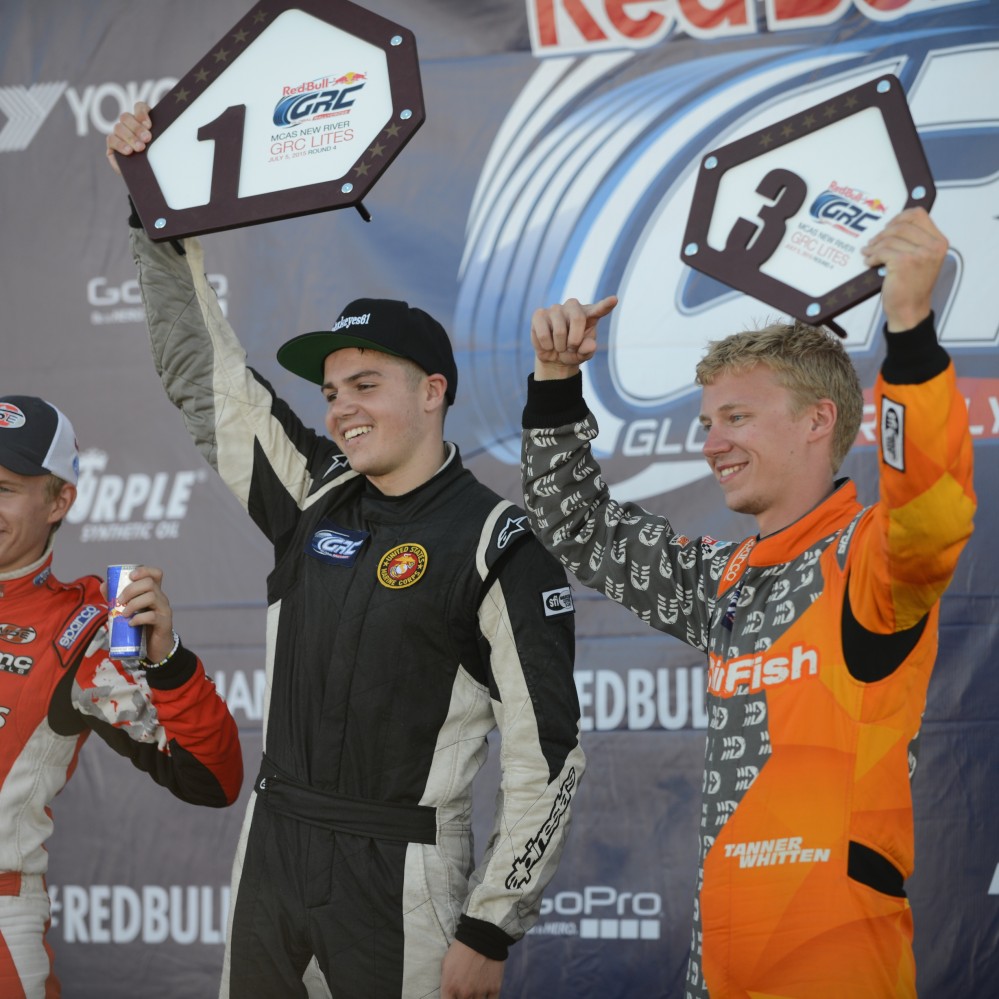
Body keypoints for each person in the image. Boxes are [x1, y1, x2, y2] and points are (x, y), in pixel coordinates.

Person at [106, 104, 584, 999]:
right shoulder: (310, 492)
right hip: (275, 844)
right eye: (330, 391)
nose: (341, 409)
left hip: (402, 866)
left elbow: (546, 752)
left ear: (433, 391)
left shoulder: (497, 542)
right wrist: (152, 209)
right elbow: (205, 376)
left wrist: (491, 921)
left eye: (365, 384)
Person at [520, 208, 975, 996]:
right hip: (718, 959)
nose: (711, 443)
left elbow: (931, 513)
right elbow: (578, 526)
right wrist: (556, 382)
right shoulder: (725, 577)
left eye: (736, 417)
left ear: (817, 420)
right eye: (707, 422)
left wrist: (908, 329)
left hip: (833, 953)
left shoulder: (863, 559)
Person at [0, 394, 244, 998]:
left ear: (60, 501)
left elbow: (212, 779)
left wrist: (168, 662)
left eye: (2, 488)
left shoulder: (82, 633)